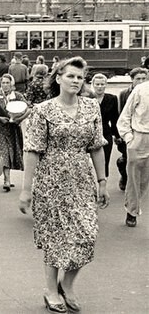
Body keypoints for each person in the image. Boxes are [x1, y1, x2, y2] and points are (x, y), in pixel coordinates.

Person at [19, 57, 109, 313]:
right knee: (55, 239)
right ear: (58, 78)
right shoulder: (42, 111)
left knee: (87, 234)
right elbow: (32, 151)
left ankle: (67, 283)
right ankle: (51, 291)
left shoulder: (92, 108)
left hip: (82, 181)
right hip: (50, 182)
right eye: (71, 76)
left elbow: (97, 147)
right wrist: (26, 190)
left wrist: (102, 181)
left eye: (80, 77)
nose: (76, 81)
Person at [117, 79, 149, 228]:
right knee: (136, 179)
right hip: (141, 137)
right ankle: (132, 211)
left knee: (144, 180)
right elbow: (125, 116)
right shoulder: (141, 89)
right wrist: (129, 138)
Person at [0, 74, 29, 190]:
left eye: (7, 83)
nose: (5, 85)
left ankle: (8, 177)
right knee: (4, 152)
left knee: (13, 152)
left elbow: (28, 109)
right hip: (1, 128)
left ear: (11, 84)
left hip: (13, 128)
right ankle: (7, 180)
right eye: (3, 83)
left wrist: (19, 119)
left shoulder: (18, 96)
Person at [116, 67, 147, 191]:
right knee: (125, 159)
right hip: (129, 132)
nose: (141, 81)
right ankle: (125, 178)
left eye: (144, 79)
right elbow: (121, 114)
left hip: (143, 132)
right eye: (138, 79)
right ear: (132, 80)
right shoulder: (124, 94)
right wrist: (123, 135)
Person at [91, 74, 121, 182]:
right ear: (93, 85)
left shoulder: (112, 98)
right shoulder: (87, 98)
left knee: (105, 159)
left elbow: (114, 119)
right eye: (97, 84)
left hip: (106, 132)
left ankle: (103, 185)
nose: (99, 87)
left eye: (102, 84)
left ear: (106, 85)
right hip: (89, 132)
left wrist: (117, 135)